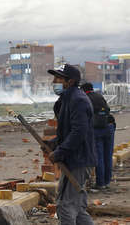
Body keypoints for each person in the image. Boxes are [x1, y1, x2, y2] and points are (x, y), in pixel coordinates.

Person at [43, 64, 96, 225]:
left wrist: (59, 152)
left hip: (78, 160)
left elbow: (79, 132)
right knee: (78, 210)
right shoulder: (66, 100)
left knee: (65, 207)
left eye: (58, 78)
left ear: (70, 81)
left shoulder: (78, 100)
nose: (54, 81)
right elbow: (67, 132)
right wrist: (53, 144)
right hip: (76, 159)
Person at [81, 82, 116, 189]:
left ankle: (100, 183)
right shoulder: (99, 96)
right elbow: (108, 109)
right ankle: (107, 181)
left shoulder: (85, 99)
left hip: (97, 130)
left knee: (99, 157)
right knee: (108, 156)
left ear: (83, 90)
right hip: (109, 127)